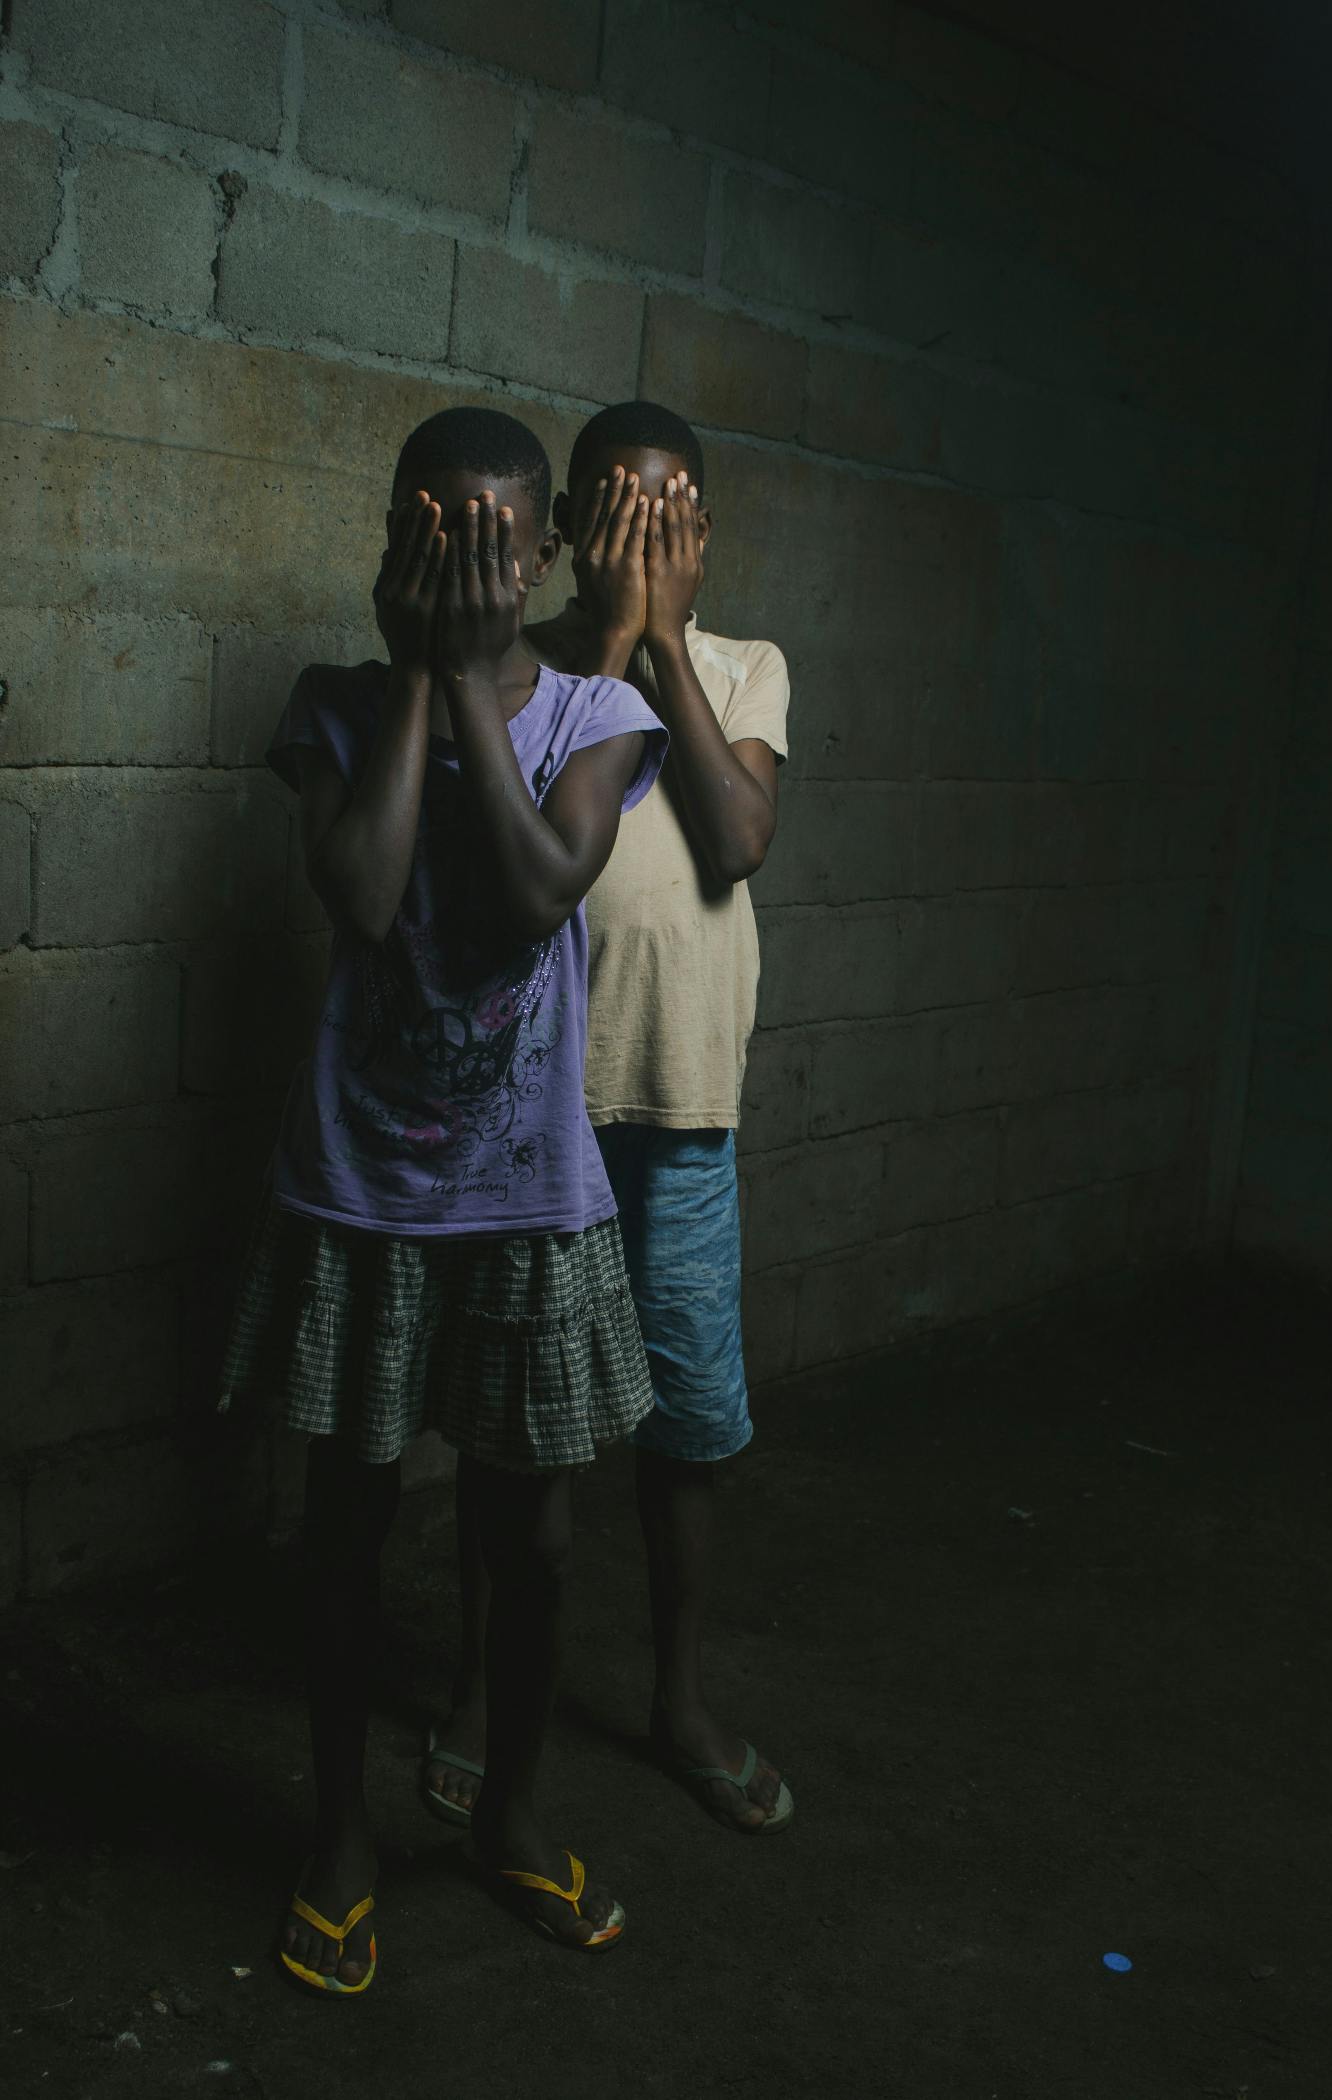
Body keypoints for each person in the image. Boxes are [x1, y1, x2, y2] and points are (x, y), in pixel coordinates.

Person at [218, 405, 667, 1991]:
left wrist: (477, 678)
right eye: (435, 531)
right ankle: (337, 1829)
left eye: (495, 539)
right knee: (350, 1516)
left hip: (527, 1194)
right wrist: (423, 669)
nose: (467, 561)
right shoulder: (333, 704)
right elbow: (359, 890)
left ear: (539, 555)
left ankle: (512, 1809)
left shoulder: (601, 708)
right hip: (363, 1186)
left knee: (531, 1534)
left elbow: (544, 885)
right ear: (397, 541)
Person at [423, 400, 794, 1841]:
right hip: (536, 1116)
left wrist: (658, 646)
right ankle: (473, 1685)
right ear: (570, 530)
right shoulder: (525, 680)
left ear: (701, 536)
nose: (645, 537)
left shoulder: (746, 669)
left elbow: (738, 834)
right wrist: (609, 651)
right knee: (518, 1435)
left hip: (685, 1107)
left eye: (675, 511)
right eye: (620, 514)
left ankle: (677, 1693)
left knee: (687, 1427)